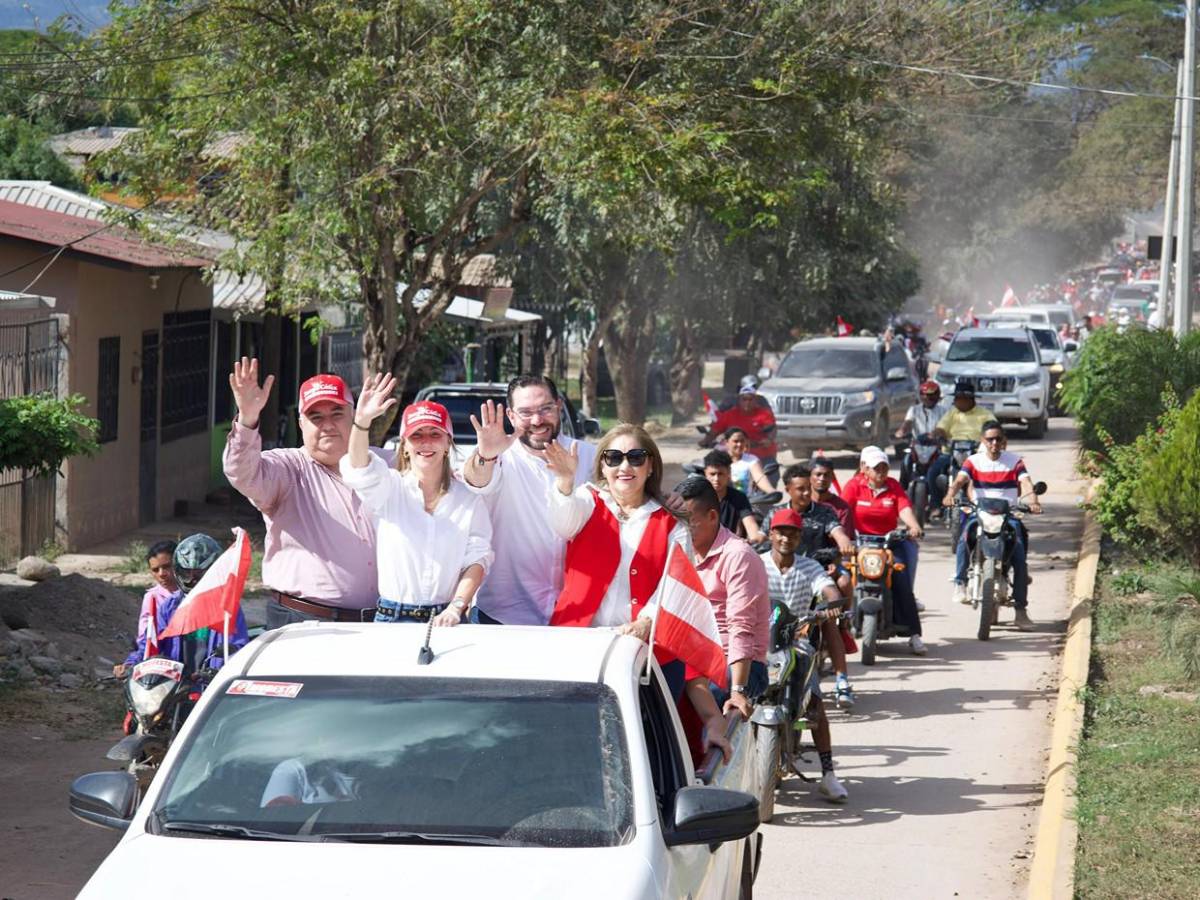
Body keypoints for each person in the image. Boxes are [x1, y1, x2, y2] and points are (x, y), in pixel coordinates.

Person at [542, 425, 731, 759]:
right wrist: (564, 482)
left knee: (642, 750)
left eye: (635, 457)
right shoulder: (587, 501)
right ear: (602, 466)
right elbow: (562, 523)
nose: (624, 466)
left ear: (650, 466)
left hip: (647, 655)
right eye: (614, 458)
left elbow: (675, 587)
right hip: (582, 646)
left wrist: (645, 622)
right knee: (577, 744)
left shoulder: (672, 521)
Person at [224, 359, 391, 627]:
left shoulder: (388, 466)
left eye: (336, 413)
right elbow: (242, 473)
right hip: (303, 622)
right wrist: (247, 418)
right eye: (316, 417)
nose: (327, 425)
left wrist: (484, 457)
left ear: (355, 416)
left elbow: (446, 479)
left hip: (379, 624)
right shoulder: (288, 469)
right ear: (301, 424)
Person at [340, 375, 493, 625]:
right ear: (404, 447)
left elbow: (477, 559)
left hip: (447, 618)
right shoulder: (389, 488)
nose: (426, 442)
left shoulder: (468, 500)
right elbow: (358, 467)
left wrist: (456, 608)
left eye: (435, 434)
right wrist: (362, 421)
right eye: (417, 435)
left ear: (447, 444)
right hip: (392, 618)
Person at [460, 375, 598, 624]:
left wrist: (669, 500)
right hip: (503, 616)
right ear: (511, 417)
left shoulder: (591, 456)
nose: (537, 420)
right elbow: (475, 479)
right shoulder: (498, 457)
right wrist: (485, 455)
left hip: (578, 614)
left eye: (545, 408)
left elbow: (632, 493)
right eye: (526, 412)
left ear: (558, 406)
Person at [761, 509, 849, 802]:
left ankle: (828, 774)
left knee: (815, 704)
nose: (786, 538)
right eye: (781, 531)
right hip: (760, 643)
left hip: (797, 643)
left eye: (793, 533)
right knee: (735, 695)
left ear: (800, 537)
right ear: (771, 534)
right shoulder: (756, 564)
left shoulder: (810, 567)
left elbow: (829, 590)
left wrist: (832, 603)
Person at [675, 477, 771, 721]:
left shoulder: (738, 556)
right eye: (677, 521)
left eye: (689, 522)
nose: (682, 529)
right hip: (693, 660)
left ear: (712, 517)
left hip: (736, 665)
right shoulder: (679, 552)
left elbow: (741, 625)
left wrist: (737, 690)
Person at [770, 463, 856, 707]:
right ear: (788, 489)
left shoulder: (825, 512)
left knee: (831, 615)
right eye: (800, 489)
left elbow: (838, 532)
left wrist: (844, 543)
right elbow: (758, 540)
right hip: (779, 582)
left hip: (817, 575)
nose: (807, 493)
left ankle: (842, 681)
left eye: (808, 488)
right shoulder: (775, 514)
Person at [944, 421, 1043, 629]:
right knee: (964, 537)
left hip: (1007, 515)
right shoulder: (973, 461)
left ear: (1004, 441)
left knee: (1018, 550)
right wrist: (950, 494)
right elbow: (960, 480)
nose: (994, 443)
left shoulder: (1015, 462)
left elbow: (1025, 482)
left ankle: (1021, 610)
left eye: (998, 439)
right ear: (983, 441)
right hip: (980, 512)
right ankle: (960, 582)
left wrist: (1033, 501)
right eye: (990, 439)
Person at [118, 534, 250, 675]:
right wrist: (131, 664)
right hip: (174, 685)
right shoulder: (170, 606)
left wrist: (217, 670)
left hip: (210, 683)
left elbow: (237, 648)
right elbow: (150, 643)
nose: (193, 579)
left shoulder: (227, 608)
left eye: (199, 573)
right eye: (187, 572)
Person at [840, 447, 927, 655]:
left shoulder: (893, 486)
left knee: (900, 578)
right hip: (859, 544)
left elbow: (904, 508)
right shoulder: (854, 486)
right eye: (875, 467)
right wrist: (842, 537)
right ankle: (838, 630)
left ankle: (913, 634)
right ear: (864, 468)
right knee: (842, 579)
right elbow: (842, 511)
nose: (880, 471)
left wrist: (913, 526)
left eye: (884, 467)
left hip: (888, 543)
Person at [114, 540, 181, 678]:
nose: (161, 574)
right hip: (163, 668)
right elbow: (147, 640)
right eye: (155, 570)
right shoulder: (152, 598)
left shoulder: (195, 594)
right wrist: (129, 664)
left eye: (167, 567)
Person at [703, 384, 778, 486]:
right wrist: (705, 441)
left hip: (761, 455)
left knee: (771, 475)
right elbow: (714, 431)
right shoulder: (729, 415)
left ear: (755, 400)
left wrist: (769, 440)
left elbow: (772, 430)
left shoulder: (764, 414)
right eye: (744, 399)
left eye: (750, 399)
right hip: (735, 457)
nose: (747, 402)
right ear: (739, 400)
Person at [897, 381, 952, 510]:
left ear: (938, 396)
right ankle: (901, 492)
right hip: (918, 446)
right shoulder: (914, 410)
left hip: (936, 448)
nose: (928, 398)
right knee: (905, 462)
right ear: (920, 395)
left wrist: (942, 436)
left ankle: (938, 502)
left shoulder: (944, 411)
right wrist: (901, 432)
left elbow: (946, 429)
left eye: (932, 395)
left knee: (942, 471)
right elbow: (907, 423)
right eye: (925, 395)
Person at [702, 449, 765, 543]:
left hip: (730, 549)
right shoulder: (697, 498)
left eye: (720, 474)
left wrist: (755, 537)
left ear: (729, 472)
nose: (716, 479)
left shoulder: (739, 498)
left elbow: (750, 525)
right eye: (712, 474)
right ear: (705, 473)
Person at [810, 457, 856, 539]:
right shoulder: (802, 503)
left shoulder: (842, 508)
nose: (822, 479)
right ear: (809, 476)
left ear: (832, 477)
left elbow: (845, 540)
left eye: (826, 475)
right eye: (818, 474)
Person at [724, 427, 774, 495]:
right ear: (726, 442)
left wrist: (772, 491)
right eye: (736, 441)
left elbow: (759, 477)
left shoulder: (751, 460)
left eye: (742, 441)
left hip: (745, 503)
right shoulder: (718, 459)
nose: (739, 444)